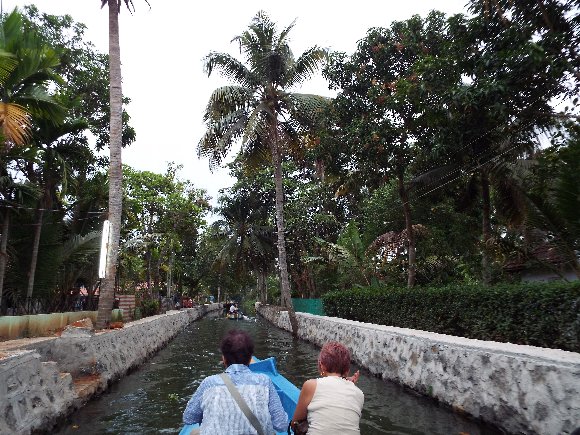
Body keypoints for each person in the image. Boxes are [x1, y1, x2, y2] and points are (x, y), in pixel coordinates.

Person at [183, 329, 288, 434]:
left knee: (194, 432)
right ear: (250, 359)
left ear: (224, 359)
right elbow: (281, 425)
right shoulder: (264, 382)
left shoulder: (209, 383)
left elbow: (188, 418)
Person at [291, 341, 364, 435]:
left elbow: (295, 424)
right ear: (347, 371)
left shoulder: (311, 385)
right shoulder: (359, 394)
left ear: (321, 366)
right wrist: (346, 380)